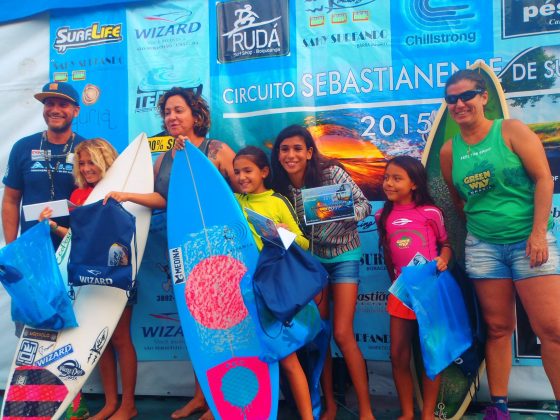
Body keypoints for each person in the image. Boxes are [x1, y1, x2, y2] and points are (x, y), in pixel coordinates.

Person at [105, 86, 236, 420]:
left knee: (221, 325)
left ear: (196, 114)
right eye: (167, 112)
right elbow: (163, 200)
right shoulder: (162, 157)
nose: (172, 117)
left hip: (218, 251)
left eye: (179, 110)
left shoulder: (217, 149)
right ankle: (200, 396)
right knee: (197, 325)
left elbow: (240, 192)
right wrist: (126, 195)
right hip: (182, 250)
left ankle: (221, 400)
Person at [439, 69, 560, 420]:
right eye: (452, 99)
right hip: (484, 247)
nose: (460, 104)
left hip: (529, 241)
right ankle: (500, 407)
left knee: (551, 329)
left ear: (483, 97)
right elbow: (459, 201)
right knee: (496, 328)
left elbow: (543, 179)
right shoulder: (449, 151)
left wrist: (538, 233)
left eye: (467, 96)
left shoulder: (511, 131)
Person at [271, 124, 375, 420]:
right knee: (320, 334)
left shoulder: (331, 172)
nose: (290, 155)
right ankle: (329, 405)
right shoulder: (280, 188)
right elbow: (292, 234)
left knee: (342, 333)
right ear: (278, 155)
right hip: (311, 262)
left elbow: (365, 206)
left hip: (343, 255)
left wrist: (338, 212)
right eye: (284, 149)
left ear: (309, 152)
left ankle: (366, 411)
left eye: (297, 149)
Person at [39, 139, 139, 420]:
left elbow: (130, 231)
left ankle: (128, 405)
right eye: (81, 163)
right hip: (88, 276)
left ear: (105, 160)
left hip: (118, 272)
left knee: (120, 337)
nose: (86, 168)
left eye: (91, 161)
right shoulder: (78, 195)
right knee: (101, 340)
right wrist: (53, 226)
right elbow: (77, 240)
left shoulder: (121, 190)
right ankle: (109, 403)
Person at [233, 145, 313, 420]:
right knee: (245, 358)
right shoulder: (234, 201)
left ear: (264, 172)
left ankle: (306, 416)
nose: (241, 177)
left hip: (271, 291)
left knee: (288, 359)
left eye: (248, 170)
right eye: (237, 172)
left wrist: (283, 234)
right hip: (242, 292)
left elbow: (303, 243)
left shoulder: (277, 202)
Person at [376, 156, 451, 420]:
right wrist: (394, 283)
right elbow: (388, 254)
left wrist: (443, 260)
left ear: (414, 184)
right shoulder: (382, 215)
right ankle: (407, 413)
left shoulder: (431, 212)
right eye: (386, 177)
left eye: (397, 178)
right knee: (398, 353)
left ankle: (428, 414)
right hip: (401, 293)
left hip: (431, 292)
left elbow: (446, 244)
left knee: (432, 351)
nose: (389, 183)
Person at [2, 81, 85, 248]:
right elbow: (11, 200)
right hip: (32, 248)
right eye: (49, 104)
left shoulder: (86, 149)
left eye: (63, 104)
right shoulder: (23, 147)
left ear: (76, 111)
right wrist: (12, 249)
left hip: (75, 247)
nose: (55, 110)